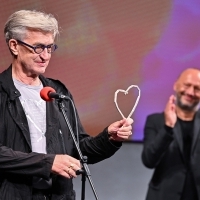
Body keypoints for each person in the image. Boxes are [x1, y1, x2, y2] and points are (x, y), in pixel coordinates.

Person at [0, 10, 133, 200]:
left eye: (49, 47)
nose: (45, 56)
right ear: (14, 46)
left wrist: (109, 138)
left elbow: (79, 150)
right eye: (38, 47)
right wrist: (47, 163)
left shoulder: (58, 92)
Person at [142, 68, 200, 200]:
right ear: (176, 85)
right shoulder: (155, 121)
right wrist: (168, 127)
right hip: (163, 195)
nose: (191, 92)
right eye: (187, 85)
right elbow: (149, 160)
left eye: (197, 88)